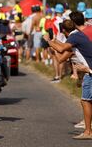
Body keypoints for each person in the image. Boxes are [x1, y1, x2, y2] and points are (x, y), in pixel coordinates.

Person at [44, 11, 92, 139]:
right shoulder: (81, 34)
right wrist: (54, 41)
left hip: (89, 72)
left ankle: (88, 132)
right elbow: (64, 52)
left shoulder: (74, 36)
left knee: (86, 100)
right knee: (87, 100)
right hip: (88, 71)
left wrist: (49, 41)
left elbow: (61, 51)